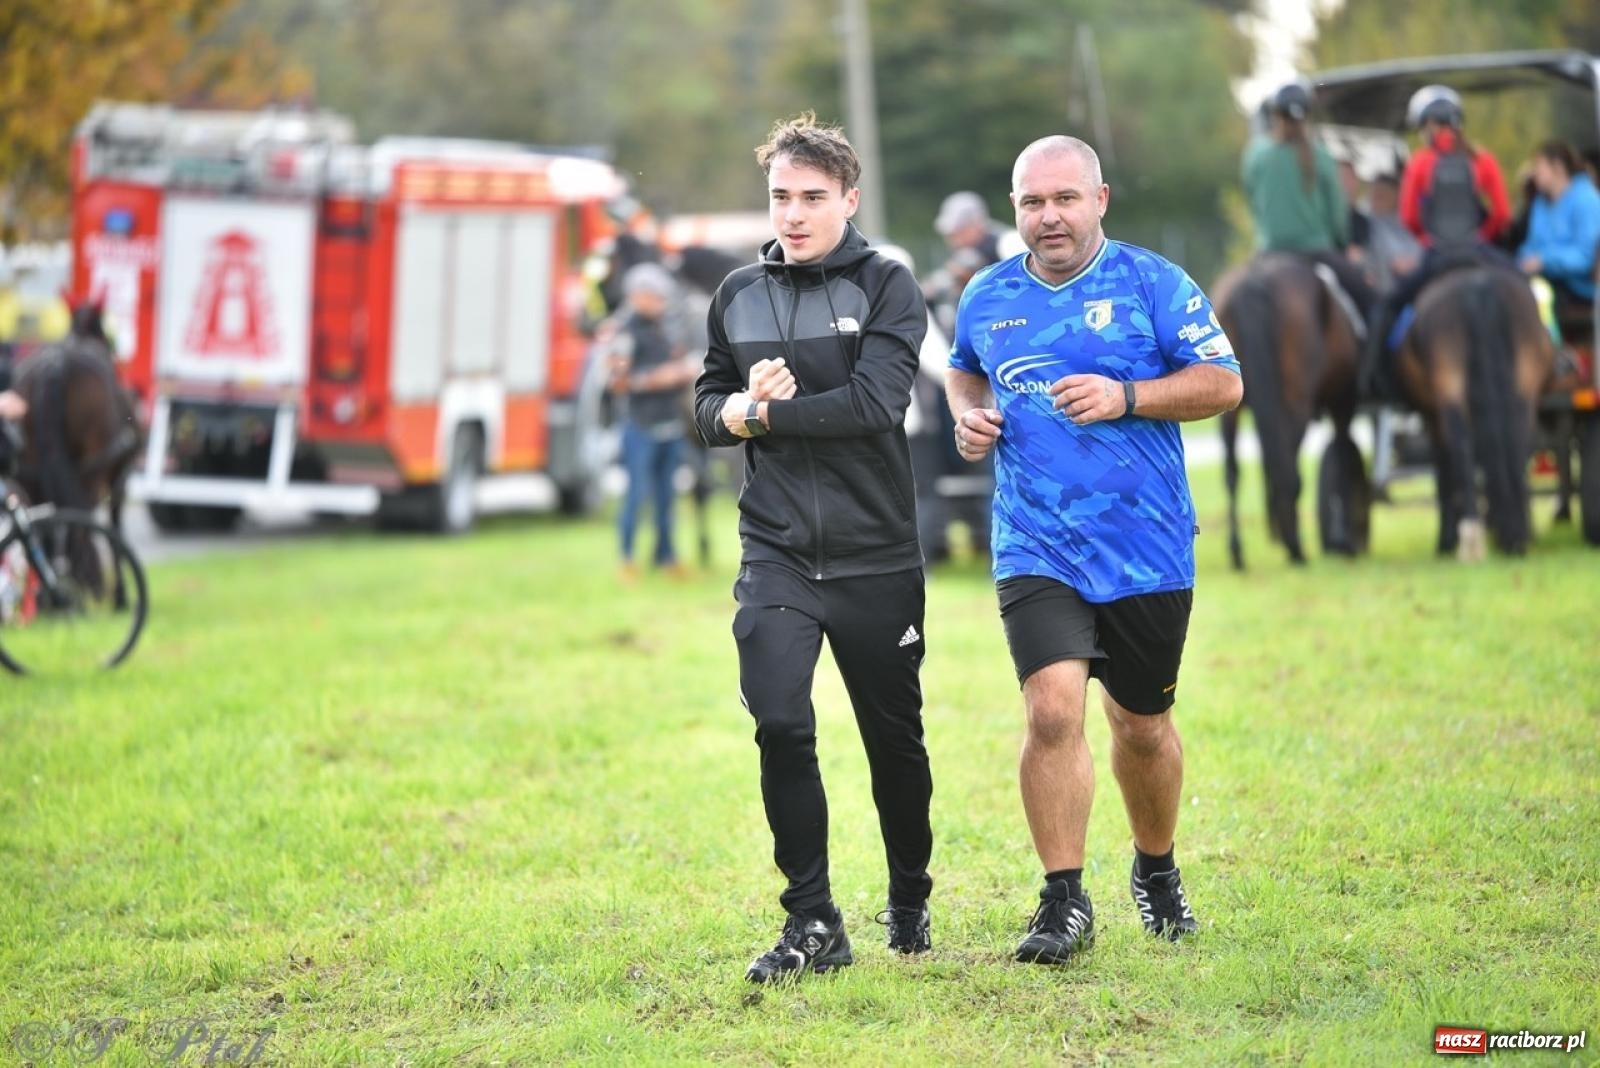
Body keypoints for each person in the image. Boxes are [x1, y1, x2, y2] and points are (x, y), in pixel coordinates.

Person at [945, 135, 1242, 964]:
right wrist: (968, 416)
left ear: (1100, 199)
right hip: (1035, 544)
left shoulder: (1153, 284)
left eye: (1065, 199)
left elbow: (1224, 381)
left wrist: (1129, 395)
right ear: (1015, 210)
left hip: (1146, 549)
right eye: (1033, 203)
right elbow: (966, 370)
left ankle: (1156, 868)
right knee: (1050, 711)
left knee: (1141, 726)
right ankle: (1063, 900)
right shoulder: (987, 294)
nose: (1049, 217)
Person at [693, 112, 934, 984]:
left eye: (811, 198)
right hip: (778, 556)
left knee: (893, 742)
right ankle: (813, 920)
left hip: (877, 557)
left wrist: (765, 415)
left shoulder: (888, 286)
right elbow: (706, 410)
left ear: (849, 198)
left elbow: (876, 406)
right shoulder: (736, 294)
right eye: (779, 197)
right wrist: (734, 408)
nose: (792, 215)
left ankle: (910, 895)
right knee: (782, 723)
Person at [1365, 85, 1514, 399]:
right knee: (1526, 290)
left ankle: (1376, 379)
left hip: (1437, 254)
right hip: (1478, 251)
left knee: (1387, 307)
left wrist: (1427, 239)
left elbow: (1408, 216)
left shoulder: (1421, 162)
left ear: (1431, 125)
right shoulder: (1483, 160)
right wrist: (1481, 238)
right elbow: (1501, 213)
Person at [1242, 82, 1376, 319]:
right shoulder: (1321, 156)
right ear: (1307, 115)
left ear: (1275, 114)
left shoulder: (1256, 155)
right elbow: (1337, 213)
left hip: (1269, 251)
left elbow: (1254, 202)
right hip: (1315, 251)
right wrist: (1342, 243)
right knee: (1371, 300)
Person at [608, 262, 697, 581]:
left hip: (670, 424)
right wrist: (658, 379)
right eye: (656, 297)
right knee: (636, 495)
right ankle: (627, 559)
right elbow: (617, 382)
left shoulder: (664, 327)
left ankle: (666, 557)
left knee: (666, 498)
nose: (662, 303)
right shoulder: (624, 332)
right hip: (640, 426)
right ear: (638, 296)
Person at [1517, 139, 1600, 308]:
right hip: (1546, 282)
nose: (1534, 174)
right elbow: (1532, 245)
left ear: (1558, 168)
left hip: (1578, 288)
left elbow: (1586, 256)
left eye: (1539, 168)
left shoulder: (1586, 200)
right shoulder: (1540, 203)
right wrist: (1522, 261)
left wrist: (1544, 261)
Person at [934, 190, 1004, 265]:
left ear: (976, 224)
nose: (954, 241)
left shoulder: (1005, 245)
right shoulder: (967, 255)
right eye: (950, 235)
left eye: (959, 232)